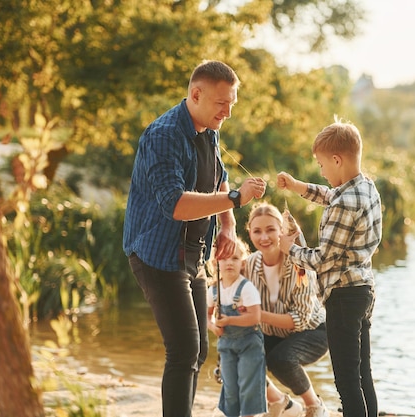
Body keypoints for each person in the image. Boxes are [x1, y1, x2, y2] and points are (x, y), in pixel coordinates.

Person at [123, 60, 266, 417]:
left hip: (194, 254)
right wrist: (237, 198)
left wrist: (229, 226)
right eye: (222, 103)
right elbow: (175, 204)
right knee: (184, 349)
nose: (228, 112)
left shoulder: (209, 130)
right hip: (157, 254)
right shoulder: (163, 135)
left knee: (199, 349)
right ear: (196, 94)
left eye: (231, 103)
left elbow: (219, 179)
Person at [276, 119, 382, 417]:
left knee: (347, 380)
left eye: (322, 165)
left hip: (344, 297)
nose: (321, 171)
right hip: (363, 291)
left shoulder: (344, 202)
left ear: (337, 160)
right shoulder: (364, 187)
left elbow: (322, 260)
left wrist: (290, 249)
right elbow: (329, 195)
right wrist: (297, 186)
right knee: (363, 374)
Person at [244, 203, 329, 417]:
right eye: (257, 231)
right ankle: (281, 402)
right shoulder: (249, 264)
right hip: (272, 332)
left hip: (313, 331)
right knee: (235, 352)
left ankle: (315, 405)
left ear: (282, 231)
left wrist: (258, 315)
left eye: (271, 229)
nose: (264, 237)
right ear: (250, 233)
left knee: (280, 359)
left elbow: (300, 319)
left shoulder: (300, 266)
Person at [207, 238, 266, 417]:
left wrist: (229, 321)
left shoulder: (246, 288)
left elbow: (255, 317)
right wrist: (213, 327)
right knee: (230, 386)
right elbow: (205, 316)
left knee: (248, 385)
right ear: (216, 263)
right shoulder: (214, 290)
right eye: (224, 258)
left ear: (242, 263)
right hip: (226, 346)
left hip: (249, 343)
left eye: (234, 258)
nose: (229, 262)